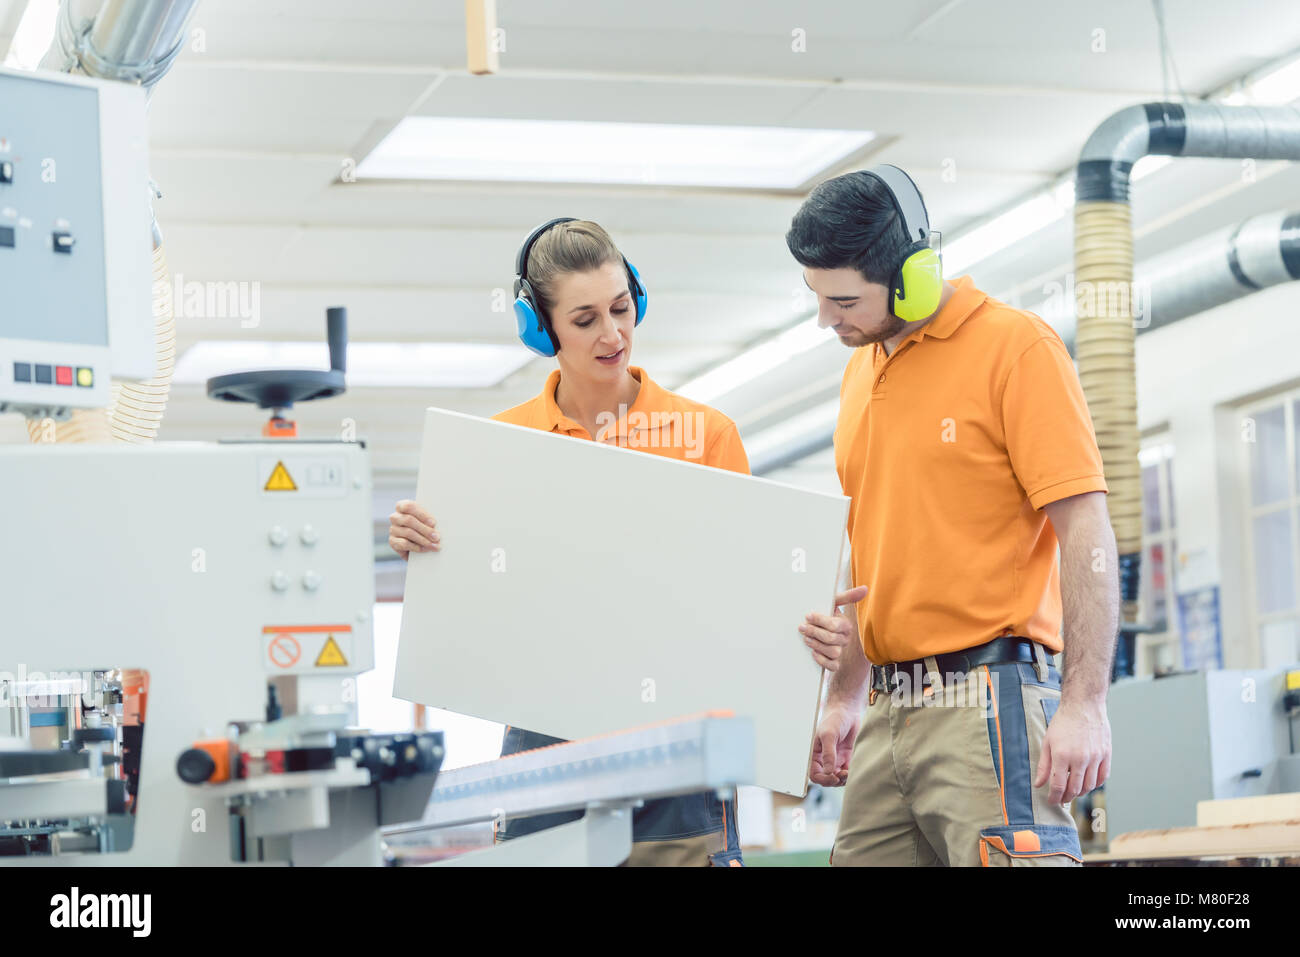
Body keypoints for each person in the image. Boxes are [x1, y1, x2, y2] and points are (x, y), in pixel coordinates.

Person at [389, 218, 749, 866]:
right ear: (541, 327)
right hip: (544, 744)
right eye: (585, 319)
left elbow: (741, 596)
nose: (612, 333)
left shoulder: (705, 435)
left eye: (620, 308)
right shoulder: (498, 446)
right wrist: (421, 547)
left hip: (675, 737)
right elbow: (470, 607)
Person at [788, 166, 1119, 866]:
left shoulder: (1016, 348)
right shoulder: (860, 368)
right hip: (886, 708)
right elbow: (865, 550)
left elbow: (1084, 532)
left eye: (843, 299)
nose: (827, 318)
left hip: (987, 701)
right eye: (817, 297)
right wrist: (843, 696)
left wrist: (1084, 703)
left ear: (909, 276)